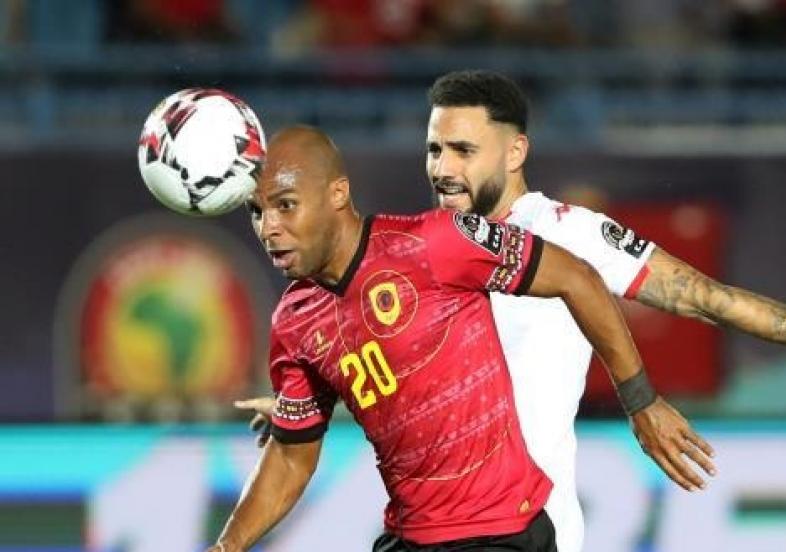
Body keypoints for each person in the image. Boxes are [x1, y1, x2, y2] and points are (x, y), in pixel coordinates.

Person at [237, 71, 786, 552]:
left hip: (531, 527)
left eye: (463, 150)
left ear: (515, 151)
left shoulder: (568, 234)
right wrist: (326, 394)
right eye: (434, 150)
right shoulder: (418, 249)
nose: (442, 168)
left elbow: (707, 298)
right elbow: (420, 372)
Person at [208, 125, 713, 552]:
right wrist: (226, 547)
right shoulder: (295, 322)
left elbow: (576, 277)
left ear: (337, 194)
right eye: (256, 212)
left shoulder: (434, 242)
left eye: (285, 206)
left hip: (502, 534)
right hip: (407, 538)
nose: (269, 228)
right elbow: (291, 456)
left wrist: (640, 400)